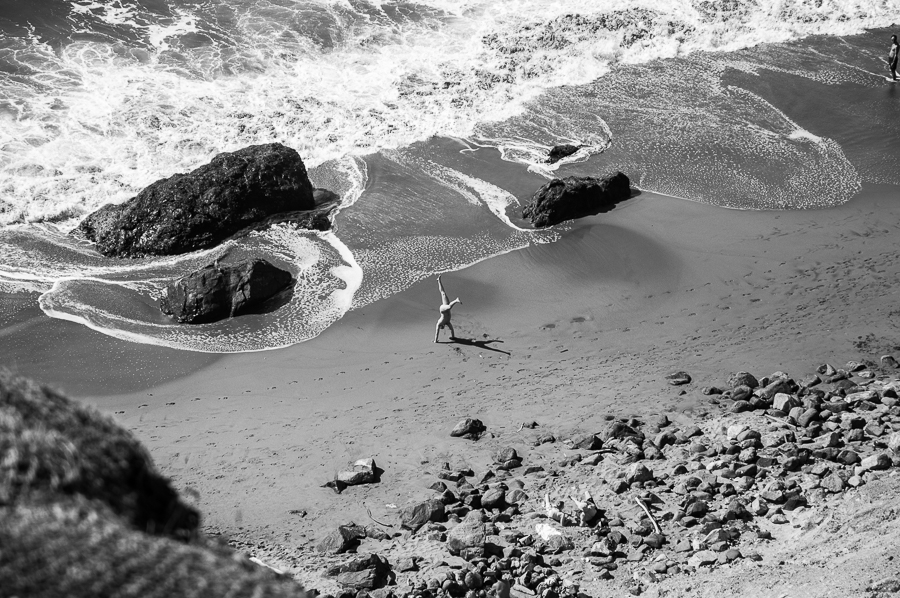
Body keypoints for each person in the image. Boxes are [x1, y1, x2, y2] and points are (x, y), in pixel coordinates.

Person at [434, 275, 461, 342]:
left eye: (441, 327)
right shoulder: (447, 322)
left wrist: (435, 340)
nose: (442, 327)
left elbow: (437, 332)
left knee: (448, 306)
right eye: (442, 327)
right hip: (446, 307)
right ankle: (438, 281)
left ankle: (456, 300)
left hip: (442, 309)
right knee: (443, 293)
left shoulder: (439, 323)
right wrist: (453, 337)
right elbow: (451, 329)